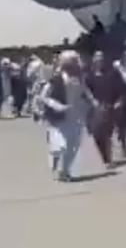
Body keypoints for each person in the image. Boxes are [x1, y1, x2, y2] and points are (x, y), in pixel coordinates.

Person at [40, 50, 96, 182]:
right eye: (72, 62)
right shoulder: (57, 78)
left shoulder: (79, 77)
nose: (75, 65)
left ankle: (64, 171)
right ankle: (54, 156)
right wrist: (57, 106)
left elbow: (85, 91)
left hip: (76, 114)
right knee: (62, 145)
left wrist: (92, 101)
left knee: (74, 144)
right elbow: (44, 96)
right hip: (60, 115)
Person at [86, 51, 126, 168]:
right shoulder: (89, 76)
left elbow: (123, 89)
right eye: (97, 59)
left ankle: (108, 159)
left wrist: (119, 101)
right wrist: (91, 101)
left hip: (111, 106)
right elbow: (85, 92)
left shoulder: (113, 73)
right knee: (97, 134)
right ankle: (106, 157)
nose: (100, 61)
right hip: (96, 108)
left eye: (102, 59)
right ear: (94, 60)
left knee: (107, 134)